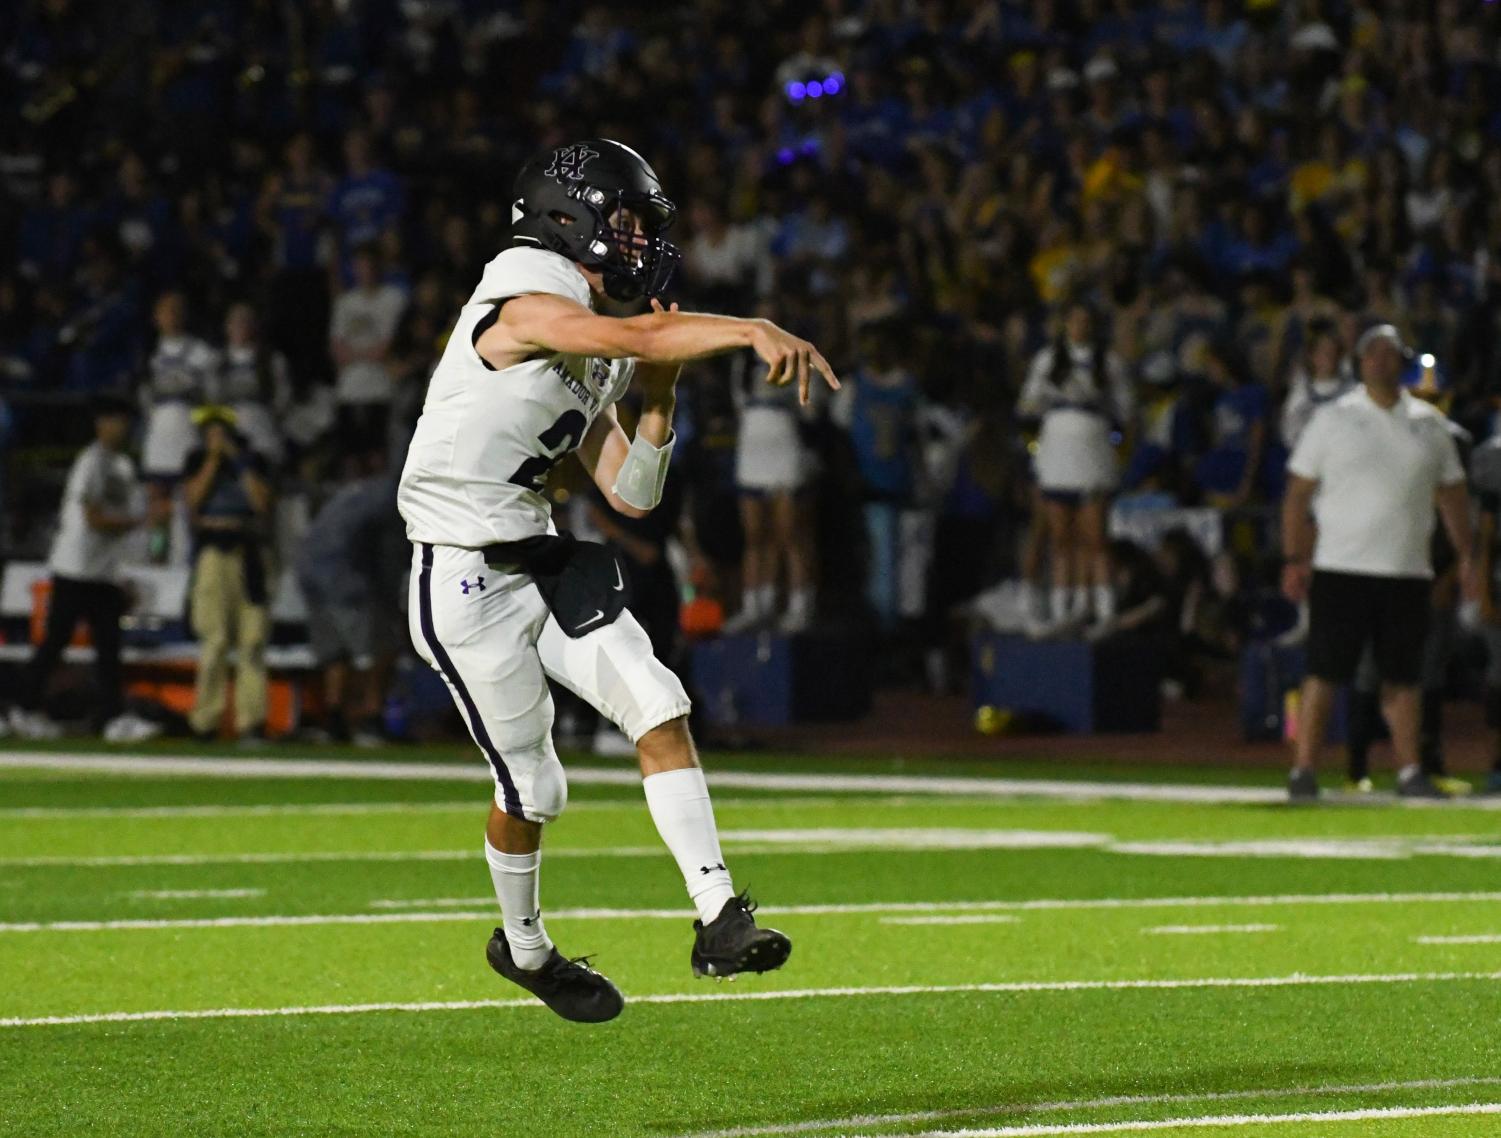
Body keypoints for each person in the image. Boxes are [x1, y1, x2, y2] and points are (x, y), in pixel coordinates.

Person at [398, 139, 837, 1023]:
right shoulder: (523, 297)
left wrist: (660, 399)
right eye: (626, 221)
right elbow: (634, 334)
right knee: (536, 788)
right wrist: (747, 327)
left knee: (658, 702)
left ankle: (718, 915)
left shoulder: (590, 333)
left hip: (540, 552)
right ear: (572, 217)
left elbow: (631, 495)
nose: (638, 241)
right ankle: (523, 949)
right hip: (462, 576)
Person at [1281, 324, 1473, 800]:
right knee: (1325, 671)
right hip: (1341, 565)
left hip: (1406, 568)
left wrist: (1467, 553)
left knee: (1402, 677)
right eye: (1373, 354)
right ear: (1360, 362)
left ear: (1402, 361)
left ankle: (1409, 769)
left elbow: (1452, 494)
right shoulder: (1333, 419)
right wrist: (1293, 557)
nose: (1381, 362)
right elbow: (1297, 494)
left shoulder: (1429, 425)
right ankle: (1303, 767)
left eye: (1390, 354)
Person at [8, 394, 143, 738]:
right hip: (75, 567)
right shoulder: (92, 461)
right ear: (101, 423)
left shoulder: (122, 466)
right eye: (115, 420)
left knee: (108, 647)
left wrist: (120, 569)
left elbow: (113, 525)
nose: (122, 427)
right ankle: (21, 708)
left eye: (125, 421)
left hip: (103, 571)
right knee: (57, 641)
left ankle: (113, 717)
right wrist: (135, 522)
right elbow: (92, 517)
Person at [1017, 300, 1133, 632]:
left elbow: (1124, 413)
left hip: (1093, 447)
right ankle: (1062, 605)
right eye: (1075, 320)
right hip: (1056, 448)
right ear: (1065, 323)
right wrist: (1035, 449)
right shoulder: (1047, 360)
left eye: (1087, 321)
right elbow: (1028, 406)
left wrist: (1115, 450)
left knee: (1095, 536)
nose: (1081, 327)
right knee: (1060, 535)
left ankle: (1099, 605)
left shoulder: (1108, 363)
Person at [294, 449, 402, 746]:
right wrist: (391, 602)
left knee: (336, 652)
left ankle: (334, 719)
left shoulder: (358, 490)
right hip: (343, 576)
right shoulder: (394, 495)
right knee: (380, 648)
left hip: (309, 571)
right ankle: (371, 718)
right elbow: (388, 556)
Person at [182, 407, 275, 743]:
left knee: (252, 642)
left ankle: (251, 723)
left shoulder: (253, 462)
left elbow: (262, 503)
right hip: (213, 556)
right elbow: (192, 502)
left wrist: (237, 461)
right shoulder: (197, 461)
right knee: (215, 639)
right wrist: (212, 460)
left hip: (250, 556)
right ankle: (205, 721)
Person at [1468, 433, 1501, 796]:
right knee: (1499, 677)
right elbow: (1487, 532)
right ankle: (1497, 764)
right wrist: (1484, 590)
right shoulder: (1494, 457)